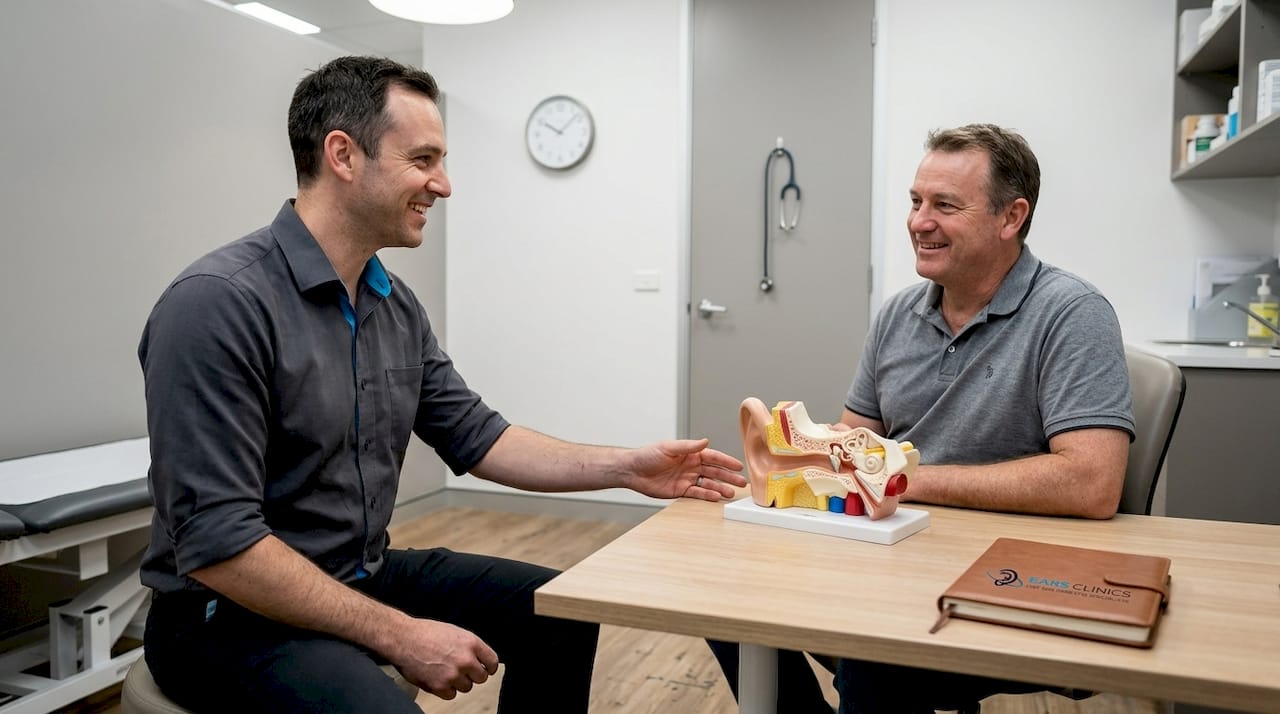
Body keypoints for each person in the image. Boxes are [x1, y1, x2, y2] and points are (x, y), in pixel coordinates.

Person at [137, 55, 746, 714]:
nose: (444, 185)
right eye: (423, 160)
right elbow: (220, 545)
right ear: (343, 155)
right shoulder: (217, 303)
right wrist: (399, 633)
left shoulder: (392, 304)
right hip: (224, 618)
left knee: (560, 610)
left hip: (354, 574)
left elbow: (479, 438)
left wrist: (626, 468)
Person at [712, 123, 1135, 713]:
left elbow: (1092, 484)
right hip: (896, 552)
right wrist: (795, 452)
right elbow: (855, 440)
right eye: (915, 201)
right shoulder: (897, 315)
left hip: (1003, 575)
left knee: (874, 648)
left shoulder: (1072, 314)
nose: (918, 221)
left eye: (945, 205)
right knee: (723, 597)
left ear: (1011, 218)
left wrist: (903, 480)